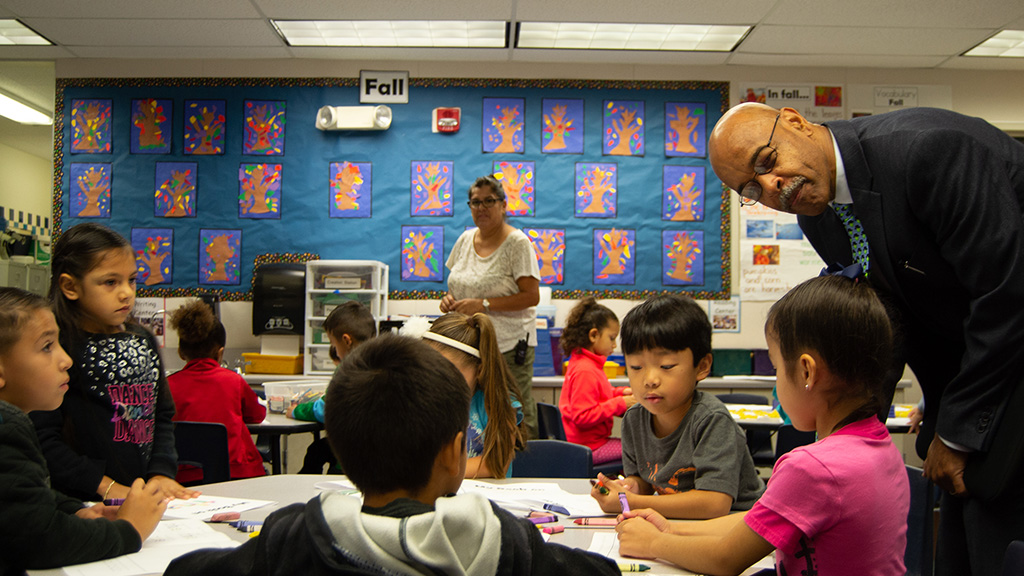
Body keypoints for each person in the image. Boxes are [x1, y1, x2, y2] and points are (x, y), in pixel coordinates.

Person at [708, 102, 1024, 575]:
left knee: (996, 540)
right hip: (975, 372)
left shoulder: (928, 153)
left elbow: (1008, 295)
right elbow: (880, 320)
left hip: (1012, 365)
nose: (772, 187)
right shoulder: (820, 216)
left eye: (767, 162)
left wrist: (958, 429)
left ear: (795, 121)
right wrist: (845, 438)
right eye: (752, 189)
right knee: (957, 538)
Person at [164, 334, 620, 576]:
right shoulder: (501, 543)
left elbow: (183, 570)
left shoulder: (296, 540)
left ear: (338, 448)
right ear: (456, 452)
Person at [616, 276, 910, 576]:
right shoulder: (881, 447)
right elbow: (755, 521)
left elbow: (725, 560)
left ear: (806, 371)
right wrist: (672, 531)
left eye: (776, 368)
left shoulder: (812, 469)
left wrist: (655, 544)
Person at [0, 287, 167, 574]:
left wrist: (74, 510)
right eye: (46, 347)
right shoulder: (6, 430)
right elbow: (41, 541)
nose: (66, 360)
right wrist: (129, 531)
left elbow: (21, 500)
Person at [30, 223, 197, 502]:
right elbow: (43, 437)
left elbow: (162, 416)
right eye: (110, 282)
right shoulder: (58, 348)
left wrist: (161, 473)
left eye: (131, 280)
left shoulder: (142, 338)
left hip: (144, 498)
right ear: (70, 286)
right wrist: (106, 487)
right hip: (82, 503)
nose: (126, 293)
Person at [591, 294, 764, 519]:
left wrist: (631, 503)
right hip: (681, 522)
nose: (649, 379)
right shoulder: (634, 418)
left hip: (737, 524)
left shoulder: (711, 420)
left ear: (702, 366)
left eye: (666, 365)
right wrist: (630, 487)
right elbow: (646, 482)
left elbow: (714, 503)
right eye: (636, 367)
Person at [441, 174, 542, 439]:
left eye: (489, 201)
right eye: (475, 202)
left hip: (508, 347)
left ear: (503, 205)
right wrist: (448, 300)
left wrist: (484, 304)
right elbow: (457, 286)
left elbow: (531, 296)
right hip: (468, 346)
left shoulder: (517, 243)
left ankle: (526, 471)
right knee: (472, 413)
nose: (481, 208)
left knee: (513, 412)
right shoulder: (464, 240)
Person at [167, 299, 266, 483]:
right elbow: (257, 416)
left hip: (185, 477)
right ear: (220, 353)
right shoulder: (233, 380)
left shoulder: (169, 385)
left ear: (181, 352)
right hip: (235, 474)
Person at [420, 312, 525, 479]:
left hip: (486, 497)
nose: (437, 381)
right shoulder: (422, 400)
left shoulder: (498, 404)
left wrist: (433, 473)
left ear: (480, 370)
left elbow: (495, 464)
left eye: (449, 374)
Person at [558, 297, 635, 464]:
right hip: (587, 447)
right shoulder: (585, 370)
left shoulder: (585, 363)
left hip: (586, 443)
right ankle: (624, 489)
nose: (614, 345)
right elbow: (583, 416)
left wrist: (622, 392)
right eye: (612, 338)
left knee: (634, 448)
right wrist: (621, 403)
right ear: (594, 335)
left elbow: (599, 394)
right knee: (636, 450)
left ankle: (621, 487)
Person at [288, 301, 376, 423]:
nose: (336, 353)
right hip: (387, 439)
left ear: (346, 341)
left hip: (355, 439)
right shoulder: (385, 364)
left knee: (319, 443)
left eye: (333, 344)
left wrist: (296, 411)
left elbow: (326, 409)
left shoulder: (347, 372)